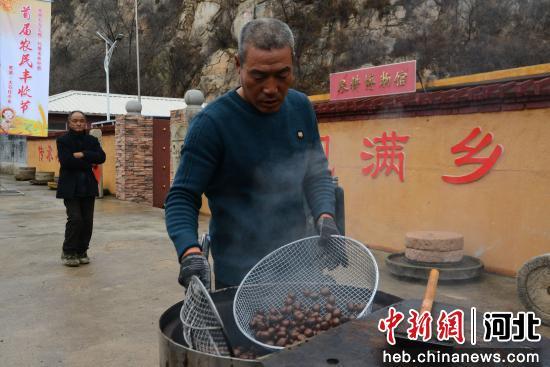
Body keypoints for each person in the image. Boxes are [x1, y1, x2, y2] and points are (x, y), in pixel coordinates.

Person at [165, 18, 343, 289]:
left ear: (292, 64)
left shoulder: (300, 107)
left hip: (299, 264)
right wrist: (190, 252)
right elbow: (181, 197)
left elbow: (316, 173)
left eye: (282, 76)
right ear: (239, 66)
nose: (271, 89)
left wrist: (325, 216)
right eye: (258, 77)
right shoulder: (212, 124)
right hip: (239, 273)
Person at [56, 111, 106, 267]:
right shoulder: (63, 140)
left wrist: (83, 154)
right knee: (75, 219)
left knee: (87, 221)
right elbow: (66, 162)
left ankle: (82, 251)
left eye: (81, 121)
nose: (78, 123)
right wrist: (88, 162)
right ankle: (69, 252)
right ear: (69, 122)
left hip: (88, 185)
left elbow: (101, 157)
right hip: (70, 186)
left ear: (86, 123)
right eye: (75, 121)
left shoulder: (91, 140)